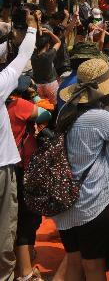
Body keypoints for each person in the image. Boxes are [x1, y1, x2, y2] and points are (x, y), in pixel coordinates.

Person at [53, 58, 109, 281]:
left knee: (74, 263)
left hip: (65, 201)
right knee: (94, 266)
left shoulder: (67, 111)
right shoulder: (97, 117)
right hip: (91, 202)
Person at [0, 11, 37, 281]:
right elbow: (23, 55)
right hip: (2, 168)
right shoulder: (2, 84)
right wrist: (32, 29)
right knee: (5, 230)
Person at [8, 75, 51, 281]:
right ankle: (24, 270)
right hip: (21, 168)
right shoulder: (18, 105)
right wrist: (33, 96)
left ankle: (19, 263)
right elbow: (45, 116)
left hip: (6, 167)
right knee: (26, 217)